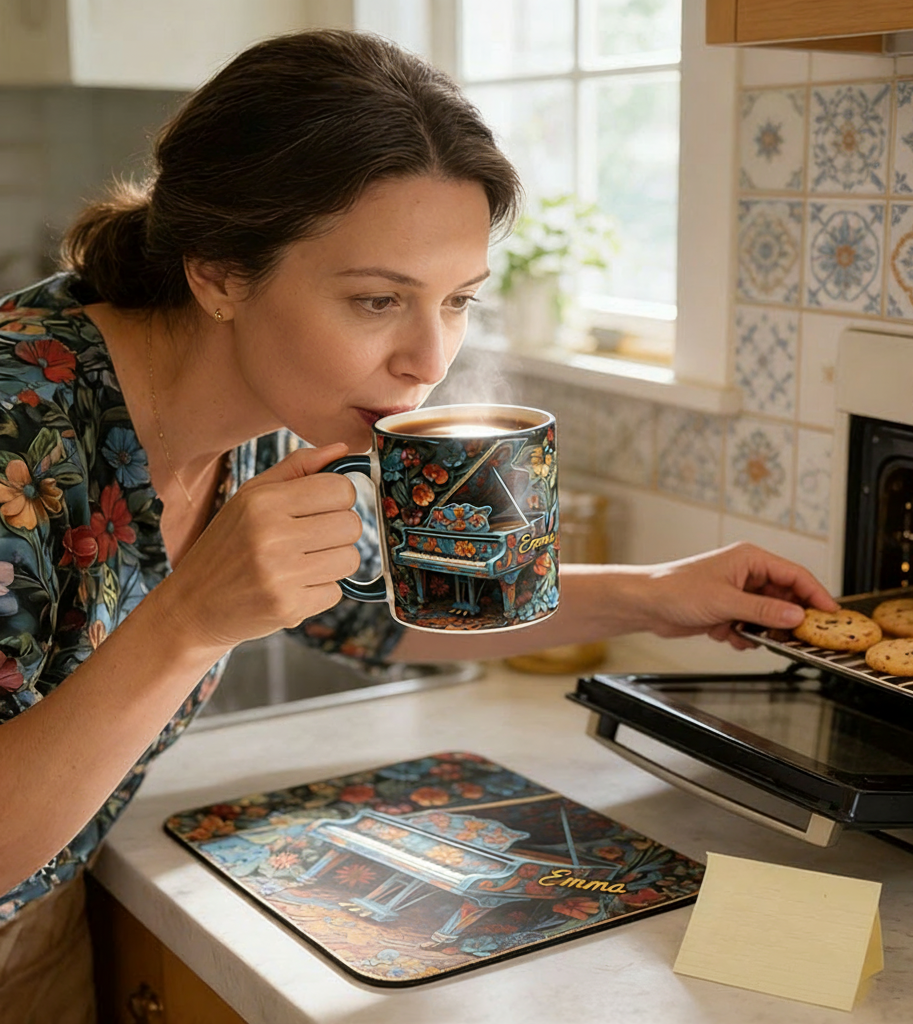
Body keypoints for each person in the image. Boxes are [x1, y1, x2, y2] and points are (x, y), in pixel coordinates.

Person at [0, 28, 836, 1021]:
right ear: (219, 271)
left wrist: (654, 595)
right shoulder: (19, 424)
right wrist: (189, 620)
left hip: (39, 927)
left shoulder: (285, 411)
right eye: (375, 300)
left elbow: (373, 607)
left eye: (457, 302)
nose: (425, 359)